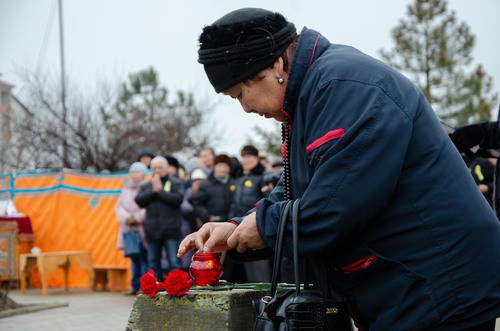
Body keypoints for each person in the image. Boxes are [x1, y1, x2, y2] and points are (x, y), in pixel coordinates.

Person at [178, 8, 500, 330]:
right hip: (413, 286)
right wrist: (235, 227)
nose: (246, 108)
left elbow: (336, 205)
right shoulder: (313, 94)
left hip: (440, 288)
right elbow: (295, 188)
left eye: (240, 94)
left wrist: (264, 227)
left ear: (275, 65)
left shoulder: (344, 86)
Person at [135, 156, 184, 280]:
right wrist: (153, 190)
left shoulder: (175, 182)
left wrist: (160, 191)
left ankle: (176, 290)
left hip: (171, 230)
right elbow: (139, 200)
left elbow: (177, 200)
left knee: (173, 262)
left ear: (167, 168)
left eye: (160, 167)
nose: (157, 170)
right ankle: (154, 291)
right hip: (152, 230)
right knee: (152, 263)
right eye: (154, 168)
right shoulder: (147, 186)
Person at [230, 144, 270, 283]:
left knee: (260, 271)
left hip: (257, 226)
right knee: (249, 272)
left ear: (256, 158)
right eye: (244, 157)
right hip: (241, 227)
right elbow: (234, 203)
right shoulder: (241, 178)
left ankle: (265, 300)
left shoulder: (264, 176)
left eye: (249, 157)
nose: (246, 160)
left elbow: (269, 200)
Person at [115, 162, 148, 295]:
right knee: (133, 258)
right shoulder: (125, 189)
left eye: (138, 172)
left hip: (142, 229)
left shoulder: (146, 189)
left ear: (143, 175)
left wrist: (137, 217)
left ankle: (144, 286)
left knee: (143, 258)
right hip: (128, 229)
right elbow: (118, 207)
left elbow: (147, 208)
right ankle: (134, 285)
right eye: (133, 172)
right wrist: (127, 218)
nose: (135, 175)